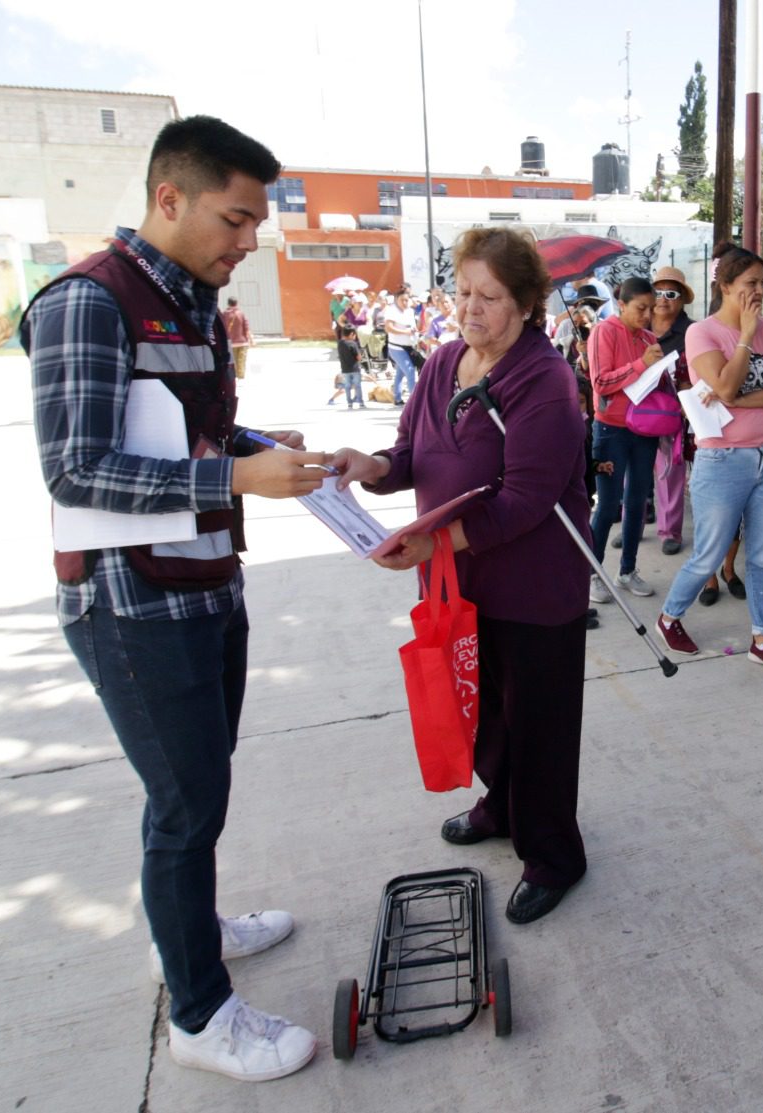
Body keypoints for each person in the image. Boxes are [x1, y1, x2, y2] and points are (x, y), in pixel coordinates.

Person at [24, 116, 331, 1083]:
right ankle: (198, 1013)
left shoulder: (191, 302)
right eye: (236, 220)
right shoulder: (90, 301)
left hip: (202, 583)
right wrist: (233, 484)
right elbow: (76, 471)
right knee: (184, 801)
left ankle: (194, 927)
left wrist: (254, 451)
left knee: (205, 783)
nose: (248, 243)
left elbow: (187, 435)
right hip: (130, 606)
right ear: (170, 198)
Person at [332, 226, 591, 926]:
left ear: (528, 302)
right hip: (459, 582)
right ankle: (499, 807)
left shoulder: (546, 379)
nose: (471, 310)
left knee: (539, 723)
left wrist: (430, 542)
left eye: (492, 297)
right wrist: (371, 468)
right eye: (465, 292)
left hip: (536, 587)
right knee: (483, 711)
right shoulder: (446, 360)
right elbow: (413, 452)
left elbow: (526, 500)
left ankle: (553, 854)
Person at [655, 241, 763, 678]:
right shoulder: (702, 332)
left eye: (762, 282)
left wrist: (742, 397)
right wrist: (743, 336)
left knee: (762, 555)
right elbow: (722, 388)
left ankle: (762, 640)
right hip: (724, 460)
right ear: (725, 286)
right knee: (710, 553)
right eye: (749, 283)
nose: (758, 290)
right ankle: (669, 618)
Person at [585, 276, 664, 601]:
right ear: (622, 304)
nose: (646, 315)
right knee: (607, 505)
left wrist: (661, 370)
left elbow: (654, 381)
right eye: (640, 308)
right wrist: (640, 364)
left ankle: (627, 570)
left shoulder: (649, 338)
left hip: (644, 430)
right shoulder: (604, 331)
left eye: (650, 309)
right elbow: (601, 382)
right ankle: (591, 573)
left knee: (636, 503)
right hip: (610, 430)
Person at [650, 265, 696, 556]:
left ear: (680, 299)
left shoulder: (690, 331)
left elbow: (696, 373)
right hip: (637, 410)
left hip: (672, 412)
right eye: (658, 292)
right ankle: (633, 523)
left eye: (671, 293)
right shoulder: (637, 325)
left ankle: (670, 532)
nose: (663, 299)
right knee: (633, 471)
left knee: (669, 471)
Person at [382, 288, 419, 405]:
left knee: (400, 372)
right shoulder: (391, 310)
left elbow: (411, 326)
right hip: (396, 347)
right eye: (402, 300)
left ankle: (397, 398)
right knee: (410, 371)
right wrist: (405, 332)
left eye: (407, 300)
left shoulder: (410, 311)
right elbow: (388, 328)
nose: (405, 302)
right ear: (396, 300)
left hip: (409, 345)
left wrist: (413, 331)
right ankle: (414, 401)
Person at [336, 324, 366, 409]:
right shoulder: (353, 344)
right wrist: (361, 355)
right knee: (357, 386)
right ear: (352, 334)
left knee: (347, 386)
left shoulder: (340, 343)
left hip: (345, 369)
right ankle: (360, 403)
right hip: (355, 369)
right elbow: (359, 357)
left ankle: (349, 403)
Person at [223, 295, 252, 379]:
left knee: (233, 361)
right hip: (242, 342)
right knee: (242, 360)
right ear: (237, 303)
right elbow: (246, 327)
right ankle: (241, 377)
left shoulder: (224, 314)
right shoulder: (241, 313)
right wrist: (251, 339)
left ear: (228, 304)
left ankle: (234, 377)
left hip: (231, 342)